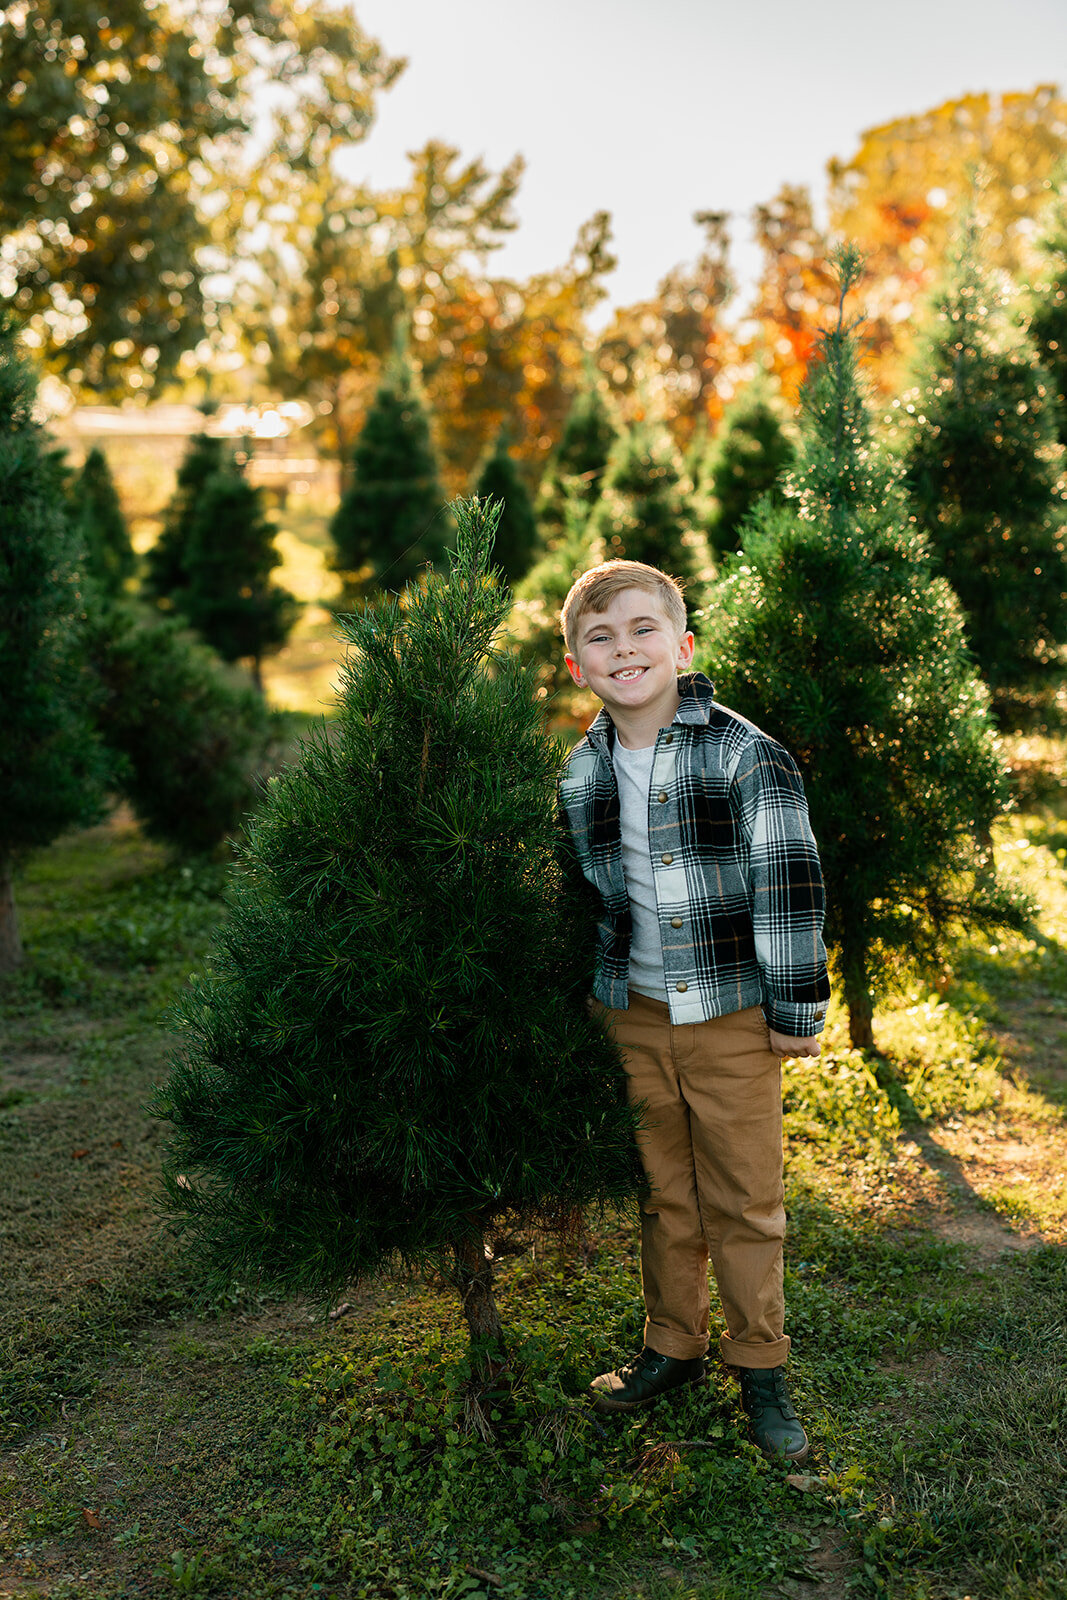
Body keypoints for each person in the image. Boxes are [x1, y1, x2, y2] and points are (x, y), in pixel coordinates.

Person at [556, 558, 830, 1463]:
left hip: (728, 1017)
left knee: (744, 1198)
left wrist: (793, 1005)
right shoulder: (580, 773)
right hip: (631, 1012)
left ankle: (760, 1365)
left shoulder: (744, 754)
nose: (622, 649)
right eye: (599, 637)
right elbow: (584, 897)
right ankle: (671, 1344)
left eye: (641, 630)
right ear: (574, 666)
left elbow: (787, 883)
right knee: (661, 1191)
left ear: (681, 644)